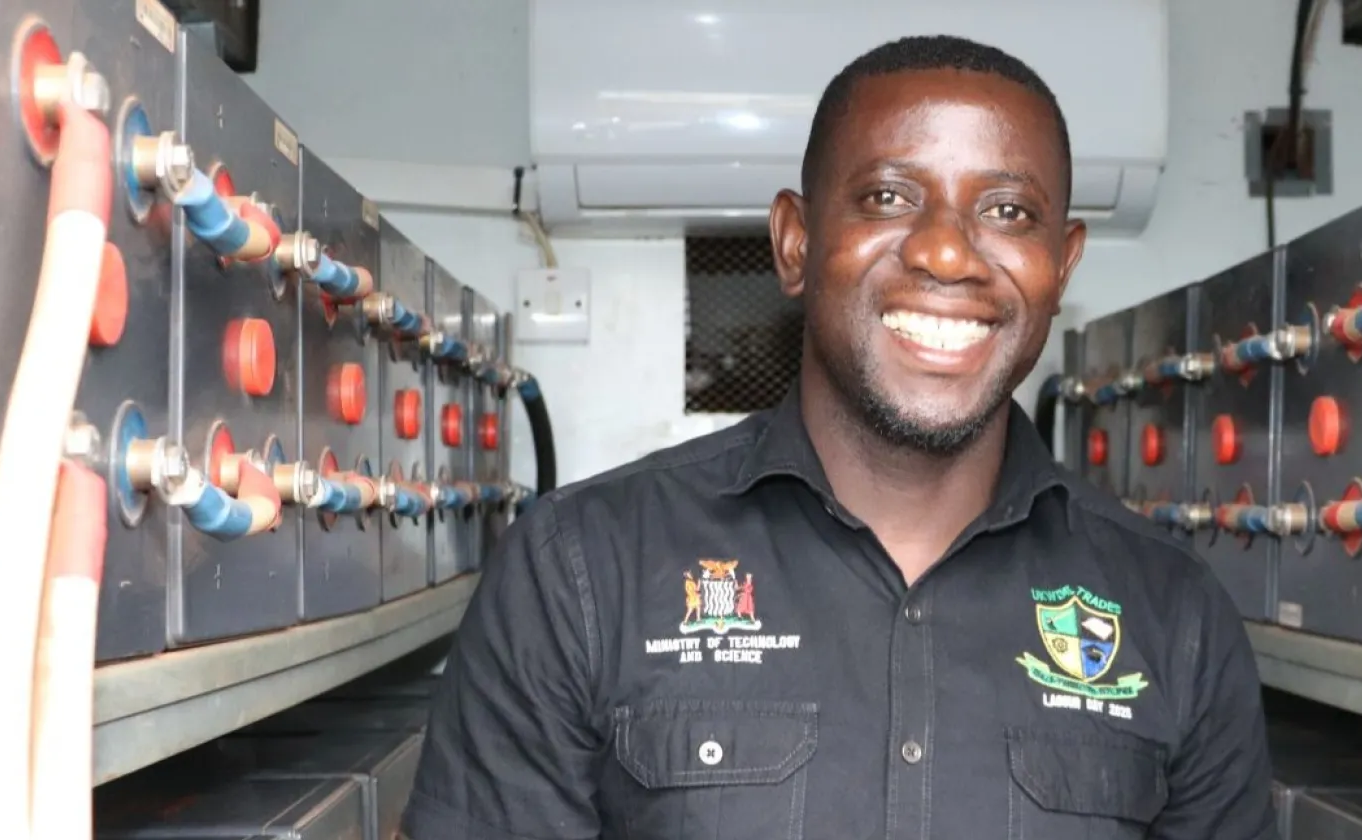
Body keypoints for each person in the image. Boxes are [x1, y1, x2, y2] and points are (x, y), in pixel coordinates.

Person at [399, 33, 1274, 840]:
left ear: (1062, 267)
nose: (946, 252)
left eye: (1008, 212)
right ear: (795, 243)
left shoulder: (1175, 617)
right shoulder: (579, 574)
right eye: (890, 196)